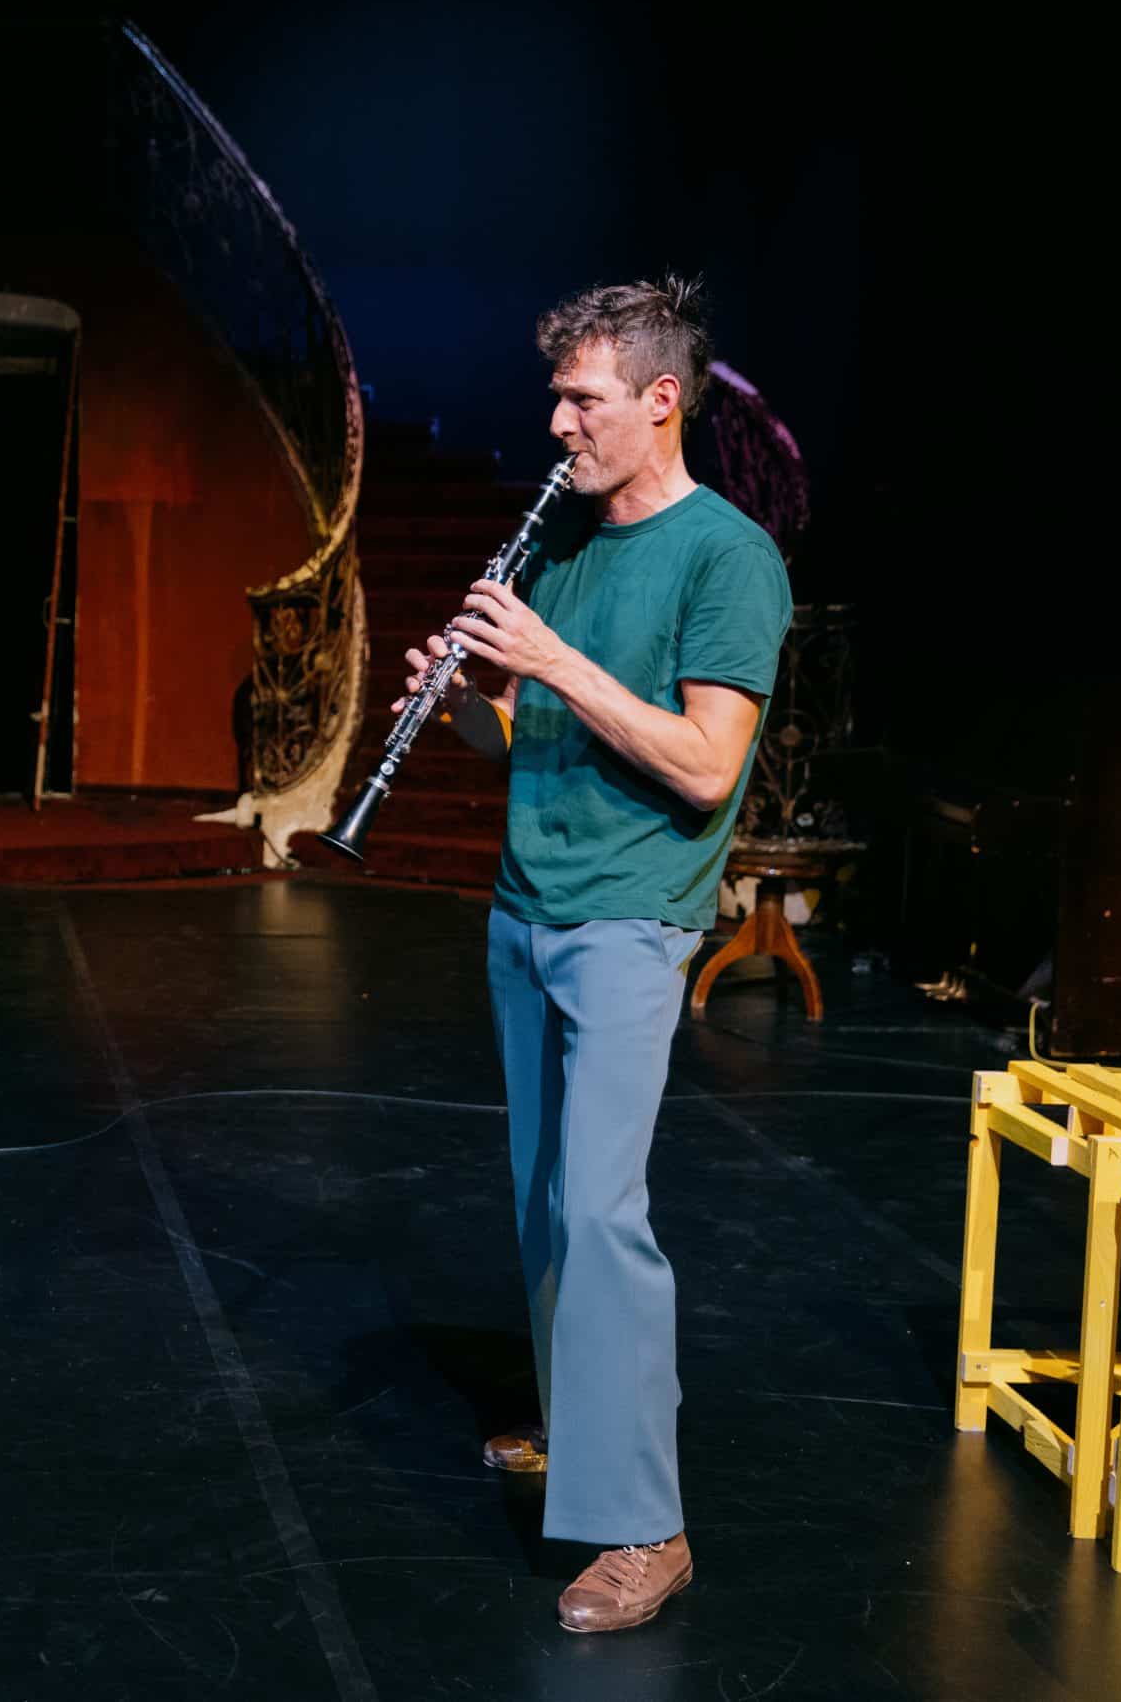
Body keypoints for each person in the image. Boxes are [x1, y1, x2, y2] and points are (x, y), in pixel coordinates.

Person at [397, 275, 789, 1634]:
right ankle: (579, 1427)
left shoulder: (728, 557)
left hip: (631, 918)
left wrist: (553, 660)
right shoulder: (564, 539)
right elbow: (520, 735)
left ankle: (645, 1528)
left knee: (605, 1217)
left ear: (661, 399)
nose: (558, 422)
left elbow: (706, 763)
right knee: (543, 1205)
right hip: (527, 905)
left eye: (583, 399)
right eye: (556, 396)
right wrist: (464, 699)